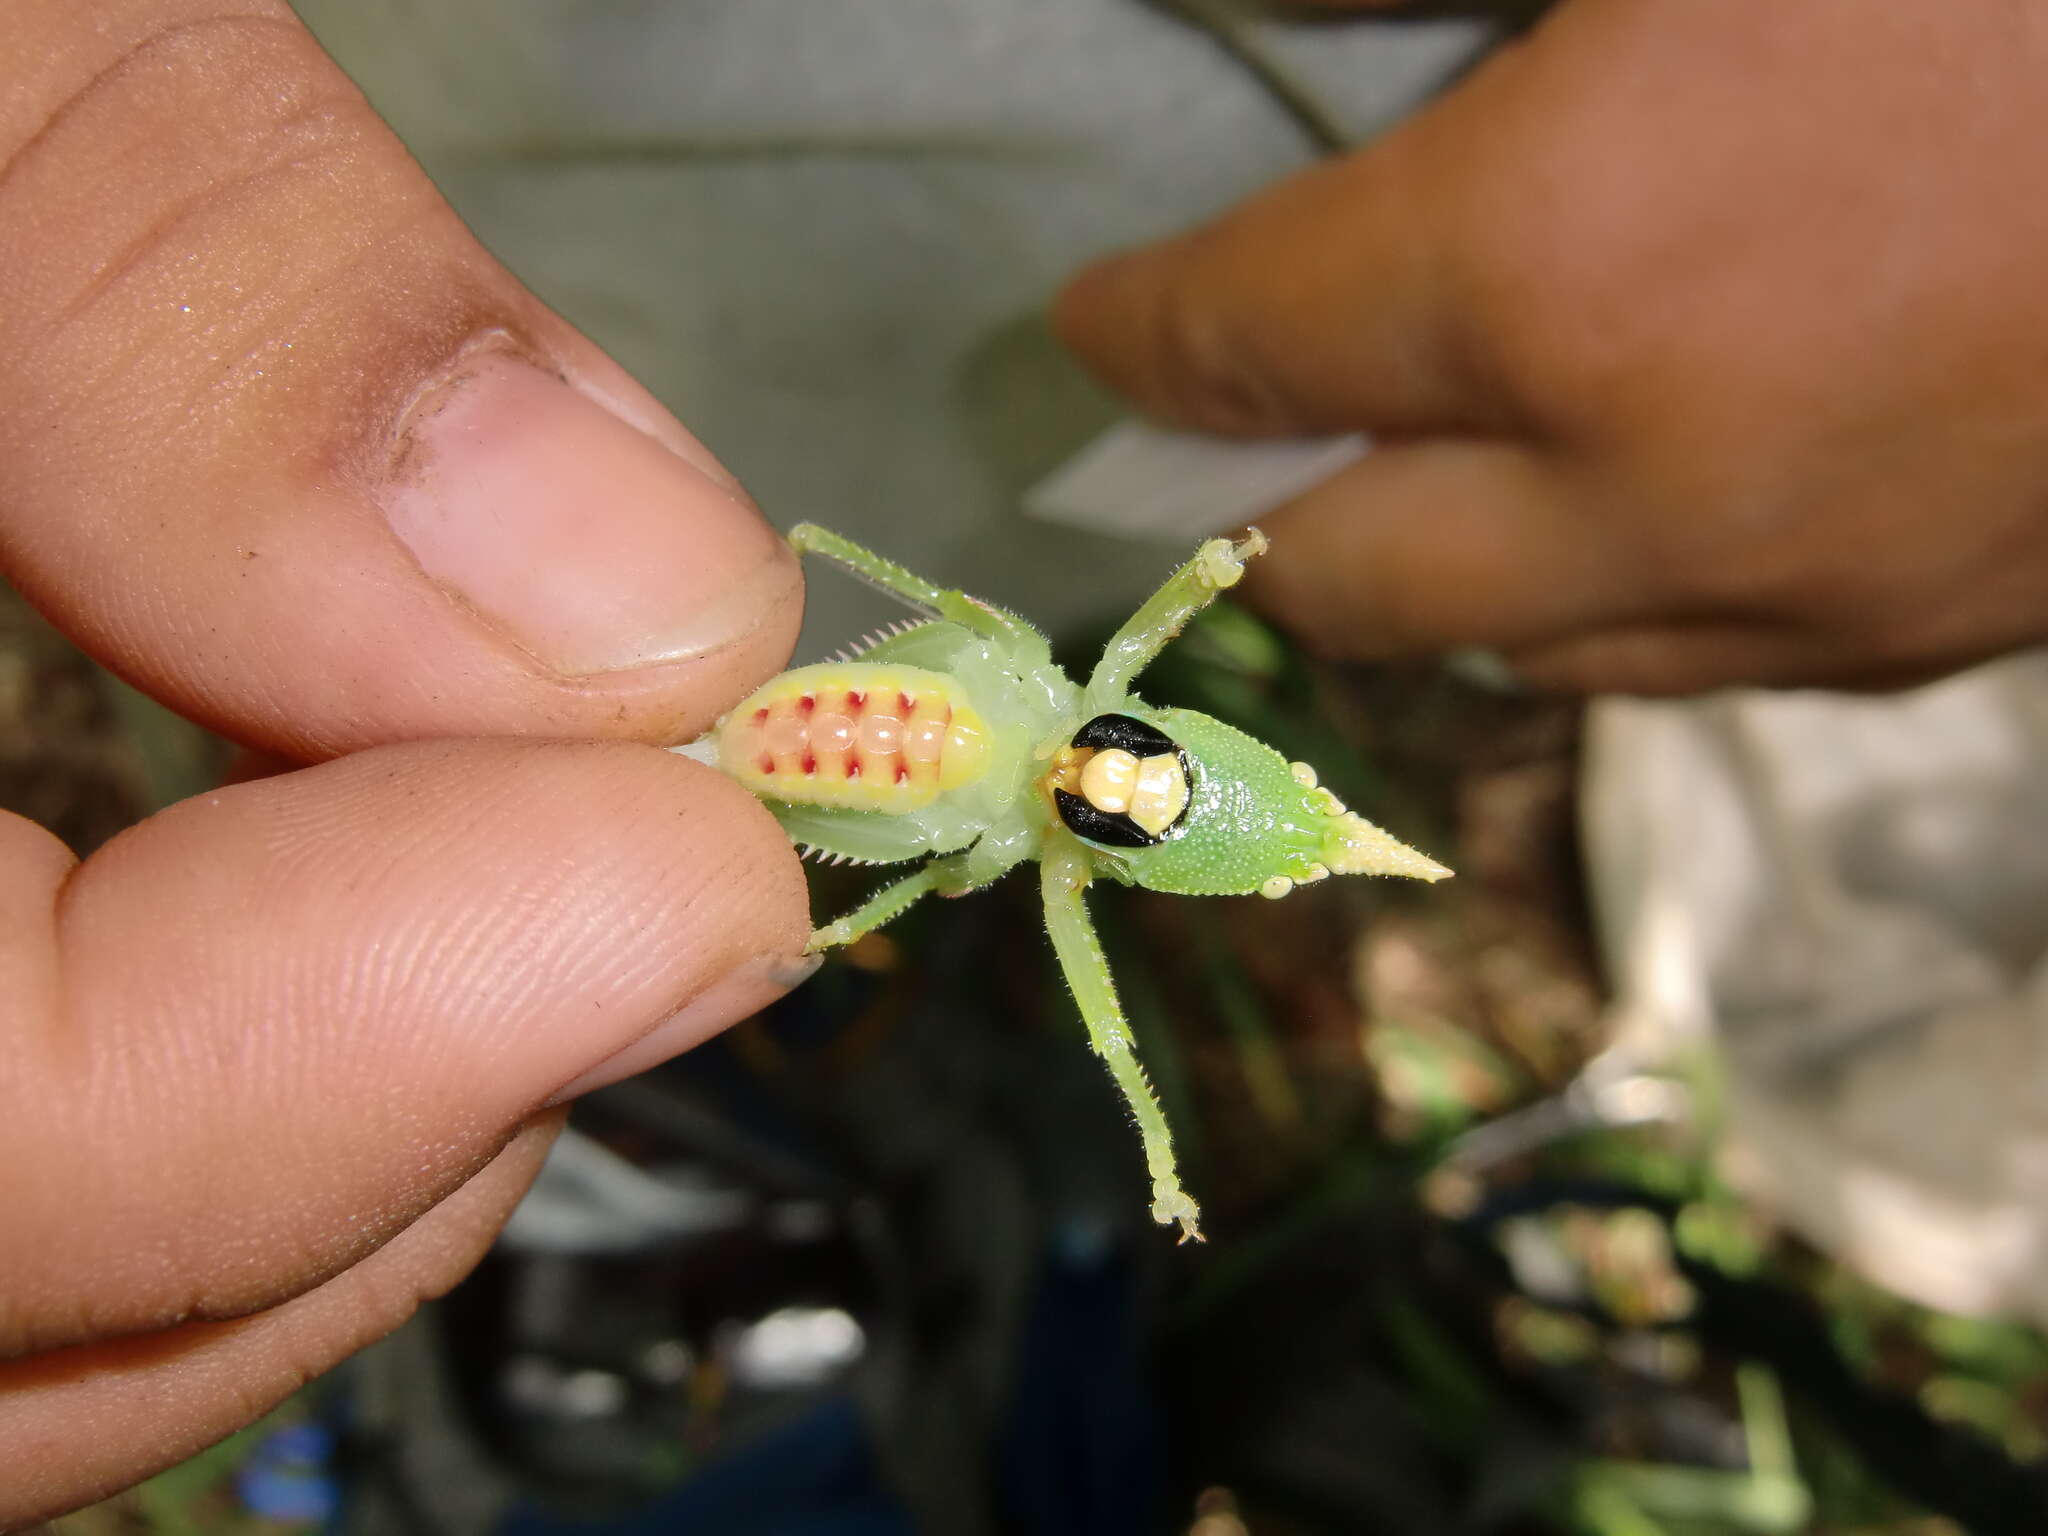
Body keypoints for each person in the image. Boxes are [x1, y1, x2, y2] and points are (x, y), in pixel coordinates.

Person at [7, 0, 2048, 1520]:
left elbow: (1020, 928)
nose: (1122, 796)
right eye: (1139, 779)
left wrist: (1150, 1128)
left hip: (796, 708)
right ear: (1141, 752)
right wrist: (847, 582)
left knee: (694, 796)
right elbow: (1015, 681)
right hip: (721, 491)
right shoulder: (1042, 718)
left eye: (1130, 812)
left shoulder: (1050, 833)